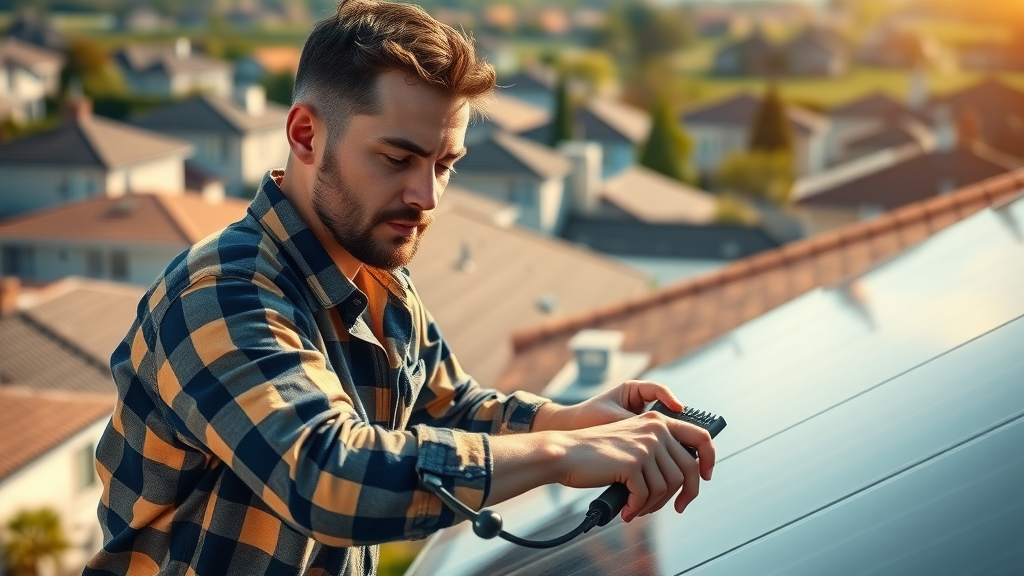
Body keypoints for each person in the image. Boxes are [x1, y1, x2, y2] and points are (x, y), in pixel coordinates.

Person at [84, 1, 715, 574]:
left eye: (445, 165)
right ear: (305, 135)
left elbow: (448, 408)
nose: (427, 197)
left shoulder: (380, 277)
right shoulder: (221, 294)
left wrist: (571, 421)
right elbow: (327, 474)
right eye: (397, 158)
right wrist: (563, 454)